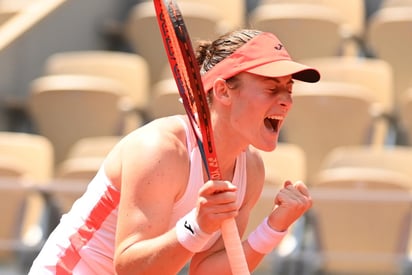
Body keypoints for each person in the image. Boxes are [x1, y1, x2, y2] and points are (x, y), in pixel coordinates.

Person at [29, 29, 320, 274]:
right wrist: (197, 225)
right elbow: (131, 269)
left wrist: (273, 228)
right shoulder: (161, 149)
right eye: (272, 89)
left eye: (289, 89)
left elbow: (206, 270)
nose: (287, 102)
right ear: (223, 91)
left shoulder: (252, 170)